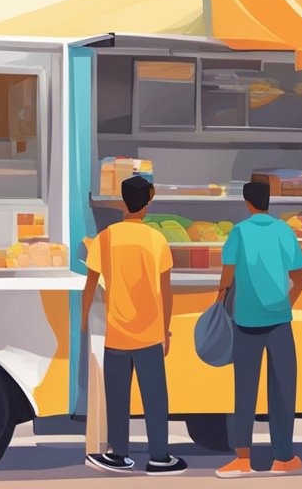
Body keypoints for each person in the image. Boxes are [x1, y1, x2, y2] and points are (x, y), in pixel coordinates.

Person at [81, 176, 187, 476]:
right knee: (155, 398)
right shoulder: (157, 240)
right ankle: (159, 457)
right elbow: (166, 291)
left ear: (121, 202)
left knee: (117, 398)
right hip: (150, 333)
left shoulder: (106, 237)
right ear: (150, 200)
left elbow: (90, 285)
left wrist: (84, 322)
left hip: (116, 332)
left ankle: (119, 454)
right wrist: (166, 330)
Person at [214, 181, 302, 478]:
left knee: (244, 391)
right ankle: (284, 457)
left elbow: (227, 277)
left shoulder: (239, 232)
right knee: (283, 390)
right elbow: (301, 281)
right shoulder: (284, 231)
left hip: (246, 322)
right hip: (280, 322)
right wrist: (283, 305)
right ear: (270, 201)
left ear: (246, 202)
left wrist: (218, 303)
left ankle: (242, 459)